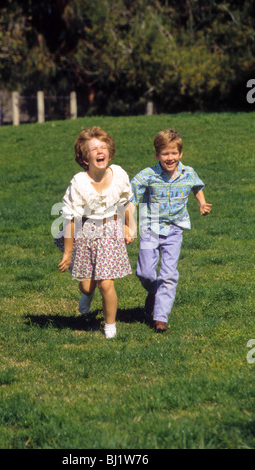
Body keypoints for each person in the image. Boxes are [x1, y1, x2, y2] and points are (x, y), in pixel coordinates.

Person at [55, 126, 134, 339]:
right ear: (84, 157)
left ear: (109, 151)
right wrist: (68, 253)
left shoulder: (119, 174)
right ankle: (87, 296)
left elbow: (127, 202)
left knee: (106, 282)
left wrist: (129, 226)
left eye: (103, 147)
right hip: (84, 232)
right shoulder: (79, 183)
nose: (100, 151)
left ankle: (110, 327)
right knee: (87, 285)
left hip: (110, 232)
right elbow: (70, 219)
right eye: (93, 149)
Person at [130, 129, 212, 333]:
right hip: (150, 228)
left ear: (180, 154)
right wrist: (128, 224)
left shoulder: (188, 173)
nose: (170, 158)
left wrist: (201, 203)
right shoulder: (148, 175)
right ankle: (155, 292)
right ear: (157, 155)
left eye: (174, 153)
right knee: (145, 273)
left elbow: (197, 186)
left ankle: (160, 318)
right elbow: (130, 198)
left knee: (168, 275)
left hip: (175, 229)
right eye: (165, 153)